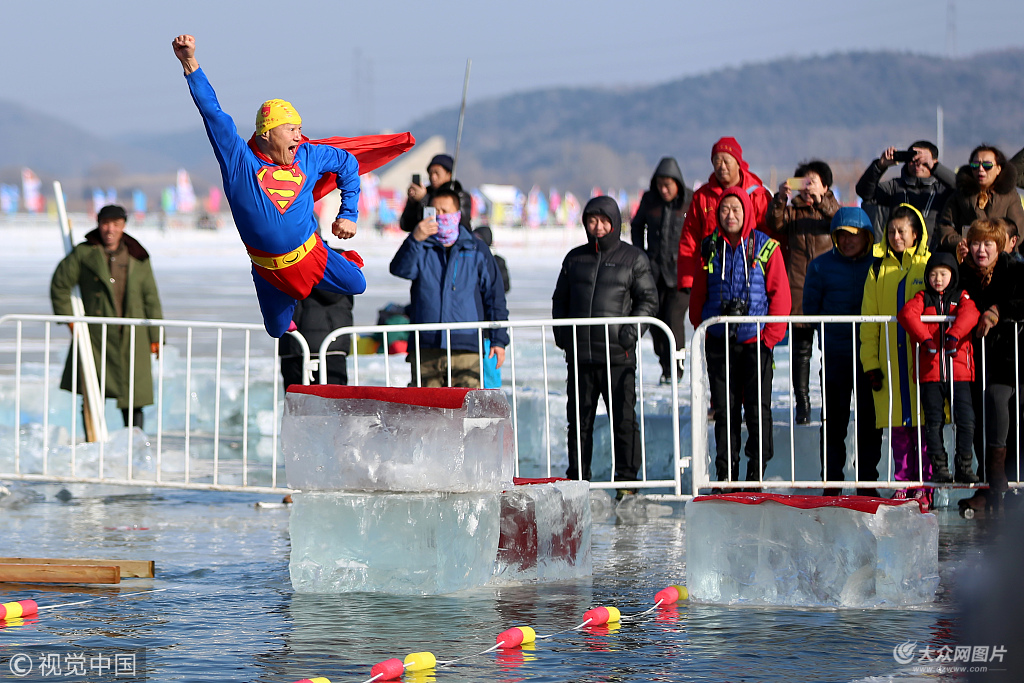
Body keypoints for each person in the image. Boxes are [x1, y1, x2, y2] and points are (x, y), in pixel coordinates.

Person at [171, 34, 410, 338]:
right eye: (291, 129)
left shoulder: (309, 155)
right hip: (268, 271)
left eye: (300, 129)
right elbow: (213, 113)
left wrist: (348, 213)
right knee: (277, 329)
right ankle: (289, 309)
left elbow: (348, 163)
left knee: (357, 284)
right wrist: (189, 62)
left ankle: (338, 259)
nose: (299, 136)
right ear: (267, 134)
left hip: (311, 256)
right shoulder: (240, 162)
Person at [552, 196, 658, 489]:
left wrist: (629, 334)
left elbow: (648, 301)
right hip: (581, 356)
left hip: (617, 357)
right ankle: (578, 480)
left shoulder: (633, 258)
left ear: (615, 223)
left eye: (604, 221)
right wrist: (563, 335)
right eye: (592, 220)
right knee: (579, 424)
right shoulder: (575, 258)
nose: (597, 227)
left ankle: (626, 483)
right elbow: (560, 299)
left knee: (623, 423)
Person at [690, 187, 791, 487]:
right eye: (724, 210)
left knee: (757, 410)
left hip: (755, 343)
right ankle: (726, 473)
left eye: (736, 209)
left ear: (747, 212)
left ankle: (754, 472)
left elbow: (780, 297)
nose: (730, 215)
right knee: (724, 409)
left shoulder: (765, 247)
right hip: (719, 342)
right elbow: (698, 294)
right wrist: (703, 329)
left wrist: (769, 338)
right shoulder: (709, 246)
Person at [50, 205, 163, 430]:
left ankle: (134, 446)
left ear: (123, 226)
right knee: (92, 391)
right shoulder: (84, 253)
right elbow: (60, 284)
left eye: (116, 224)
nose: (110, 229)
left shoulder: (138, 256)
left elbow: (150, 297)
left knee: (134, 396)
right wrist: (71, 320)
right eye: (105, 223)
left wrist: (156, 336)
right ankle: (93, 442)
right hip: (95, 337)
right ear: (98, 224)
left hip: (133, 335)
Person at [390, 188, 508, 388]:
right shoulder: (422, 246)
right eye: (435, 211)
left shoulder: (476, 249)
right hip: (427, 345)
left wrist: (499, 339)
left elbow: (494, 296)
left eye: (445, 211)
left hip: (466, 346)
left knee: (466, 411)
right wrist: (414, 239)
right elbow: (400, 269)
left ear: (457, 215)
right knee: (428, 412)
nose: (440, 216)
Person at [802, 207, 883, 495]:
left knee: (870, 422)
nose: (848, 241)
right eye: (842, 236)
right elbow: (810, 309)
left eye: (854, 236)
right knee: (834, 422)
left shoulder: (878, 263)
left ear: (866, 236)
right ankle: (832, 481)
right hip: (836, 354)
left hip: (871, 356)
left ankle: (867, 482)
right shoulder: (820, 266)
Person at [860, 205, 931, 505]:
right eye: (891, 231)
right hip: (890, 360)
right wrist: (871, 363)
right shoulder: (877, 268)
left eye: (902, 231)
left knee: (924, 427)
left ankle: (925, 485)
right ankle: (903, 482)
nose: (896, 236)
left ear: (916, 234)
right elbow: (869, 319)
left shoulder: (928, 265)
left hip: (920, 362)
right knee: (898, 427)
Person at [956, 219, 1024, 515]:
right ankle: (987, 488)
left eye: (988, 244)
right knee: (980, 421)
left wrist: (998, 309)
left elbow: (1021, 301)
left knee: (1007, 417)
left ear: (1000, 246)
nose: (981, 250)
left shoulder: (1013, 269)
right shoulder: (965, 273)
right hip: (975, 360)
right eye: (976, 243)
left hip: (1012, 359)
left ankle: (1004, 481)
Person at [767, 160, 840, 423]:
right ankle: (803, 404)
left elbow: (840, 222)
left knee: (829, 351)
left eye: (814, 182)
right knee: (801, 352)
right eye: (803, 183)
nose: (808, 188)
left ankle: (830, 403)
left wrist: (821, 200)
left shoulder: (831, 210)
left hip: (828, 288)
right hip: (798, 286)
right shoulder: (793, 212)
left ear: (826, 185)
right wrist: (780, 198)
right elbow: (775, 223)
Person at [897, 252, 980, 483]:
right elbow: (906, 314)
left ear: (952, 275)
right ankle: (939, 467)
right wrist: (926, 339)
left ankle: (964, 464)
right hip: (930, 374)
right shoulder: (922, 298)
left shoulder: (961, 296)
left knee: (966, 420)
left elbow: (971, 313)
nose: (938, 279)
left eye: (943, 274)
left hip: (959, 373)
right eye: (933, 274)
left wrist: (954, 334)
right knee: (933, 422)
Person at [677, 137, 774, 292]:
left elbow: (770, 238)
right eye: (717, 161)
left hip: (752, 276)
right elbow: (690, 239)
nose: (721, 166)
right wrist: (687, 279)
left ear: (738, 163)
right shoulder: (702, 197)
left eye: (726, 161)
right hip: (713, 276)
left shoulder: (758, 195)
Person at [630, 157, 694, 384]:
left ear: (677, 182)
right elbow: (636, 226)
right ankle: (665, 366)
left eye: (668, 185)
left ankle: (677, 369)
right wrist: (641, 253)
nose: (664, 190)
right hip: (654, 271)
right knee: (654, 322)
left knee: (673, 319)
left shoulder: (689, 201)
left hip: (681, 272)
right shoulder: (650, 200)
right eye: (660, 185)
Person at [855, 141, 955, 244]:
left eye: (923, 160)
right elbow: (864, 192)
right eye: (912, 158)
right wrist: (880, 166)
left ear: (934, 161)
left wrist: (936, 168)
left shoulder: (943, 189)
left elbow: (963, 189)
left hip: (933, 252)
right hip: (900, 251)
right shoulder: (895, 186)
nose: (917, 164)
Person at [278, 254, 354, 387]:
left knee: (328, 403)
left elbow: (335, 294)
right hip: (296, 347)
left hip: (325, 348)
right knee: (300, 404)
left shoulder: (338, 259)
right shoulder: (284, 260)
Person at [935, 144, 1024, 253]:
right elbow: (945, 227)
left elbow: (1018, 230)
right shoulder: (960, 194)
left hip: (1001, 256)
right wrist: (966, 244)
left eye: (987, 165)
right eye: (975, 165)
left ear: (998, 169)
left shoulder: (1010, 195)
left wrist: (995, 246)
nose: (980, 169)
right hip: (966, 256)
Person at [472, 225, 510, 389]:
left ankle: (492, 408)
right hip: (472, 327)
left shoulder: (497, 261)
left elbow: (504, 287)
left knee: (490, 374)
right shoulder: (470, 258)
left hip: (489, 328)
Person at [400, 154, 472, 232]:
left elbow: (461, 223)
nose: (433, 177)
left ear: (449, 174)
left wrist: (424, 200)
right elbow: (406, 225)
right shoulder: (427, 193)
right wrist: (412, 203)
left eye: (437, 173)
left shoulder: (460, 195)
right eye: (430, 173)